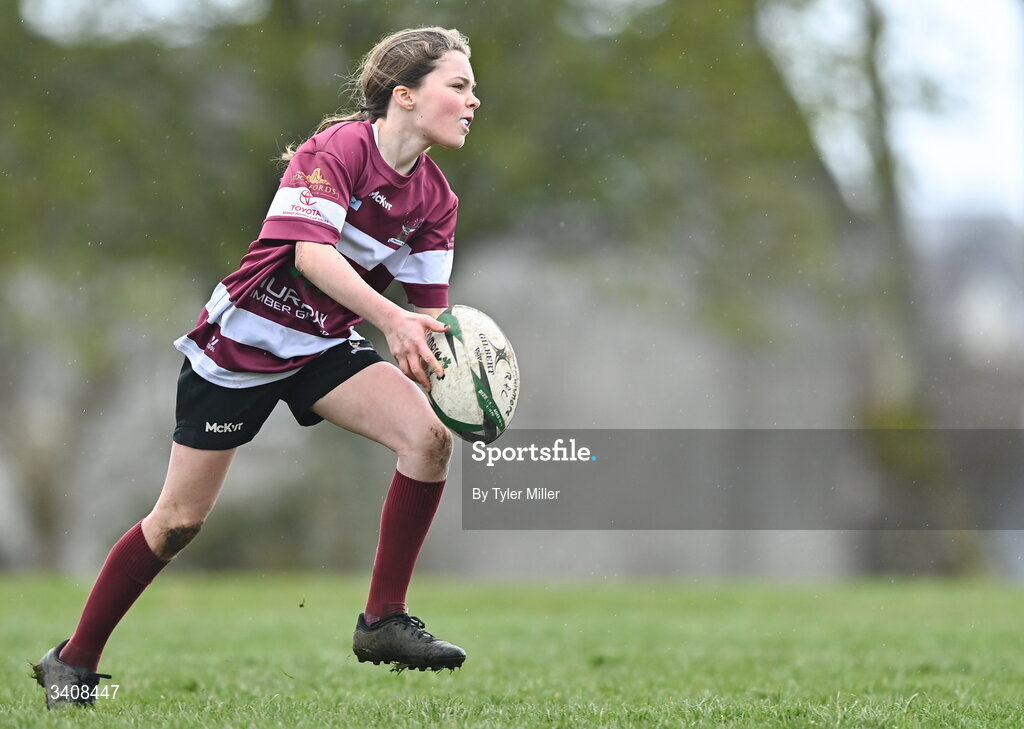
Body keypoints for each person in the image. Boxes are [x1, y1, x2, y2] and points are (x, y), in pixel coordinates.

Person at [32, 26, 480, 709]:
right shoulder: (338, 150)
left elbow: (429, 317)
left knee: (428, 439)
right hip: (238, 348)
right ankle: (73, 659)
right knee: (178, 521)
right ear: (405, 97)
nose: (474, 100)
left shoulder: (436, 201)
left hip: (323, 349)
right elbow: (312, 257)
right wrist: (389, 321)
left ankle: (382, 620)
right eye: (459, 85)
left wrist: (456, 376)